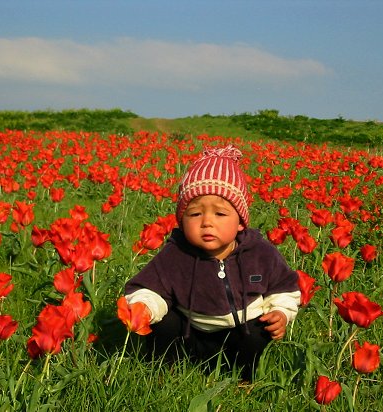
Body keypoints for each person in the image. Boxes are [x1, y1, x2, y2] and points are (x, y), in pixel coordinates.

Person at [124, 145, 300, 380]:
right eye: (195, 214)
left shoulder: (260, 253)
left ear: (240, 222)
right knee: (164, 323)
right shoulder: (175, 254)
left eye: (220, 214)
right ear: (181, 220)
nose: (207, 222)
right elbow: (149, 288)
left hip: (239, 336)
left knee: (258, 331)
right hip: (191, 334)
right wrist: (145, 308)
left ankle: (244, 378)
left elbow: (285, 288)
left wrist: (281, 312)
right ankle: (163, 372)